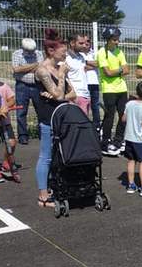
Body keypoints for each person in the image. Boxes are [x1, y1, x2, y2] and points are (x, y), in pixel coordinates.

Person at [34, 30, 76, 208]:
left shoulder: (59, 69)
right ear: (51, 51)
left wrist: (60, 95)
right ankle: (43, 196)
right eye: (63, 51)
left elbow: (72, 94)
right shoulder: (42, 70)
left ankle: (56, 186)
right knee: (46, 156)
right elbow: (59, 94)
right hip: (48, 119)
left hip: (62, 116)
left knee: (60, 154)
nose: (65, 54)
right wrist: (61, 77)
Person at [97, 26, 128, 156]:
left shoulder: (119, 52)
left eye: (117, 39)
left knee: (123, 116)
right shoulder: (101, 53)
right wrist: (119, 70)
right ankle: (105, 142)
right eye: (114, 40)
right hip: (109, 89)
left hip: (122, 88)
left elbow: (127, 70)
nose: (117, 42)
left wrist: (118, 70)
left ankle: (118, 141)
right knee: (109, 116)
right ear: (108, 40)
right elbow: (107, 73)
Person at [11, 37, 44, 145]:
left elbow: (41, 68)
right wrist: (34, 65)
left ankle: (42, 134)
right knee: (21, 111)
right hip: (22, 85)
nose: (31, 52)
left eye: (32, 51)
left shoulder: (38, 53)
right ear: (23, 48)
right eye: (29, 51)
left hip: (36, 84)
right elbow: (16, 69)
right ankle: (23, 136)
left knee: (40, 110)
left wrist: (24, 67)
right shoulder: (17, 54)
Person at [65, 34, 91, 116]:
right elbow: (64, 77)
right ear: (72, 43)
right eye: (81, 43)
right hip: (76, 96)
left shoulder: (81, 57)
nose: (84, 45)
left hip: (85, 95)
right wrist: (73, 94)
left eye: (84, 43)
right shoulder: (66, 58)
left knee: (83, 125)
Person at [81, 36, 102, 131]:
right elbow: (81, 67)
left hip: (95, 83)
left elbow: (99, 63)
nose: (86, 43)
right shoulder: (79, 54)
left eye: (88, 41)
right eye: (84, 42)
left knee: (95, 105)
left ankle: (97, 125)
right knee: (85, 105)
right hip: (84, 83)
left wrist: (86, 63)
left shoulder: (95, 53)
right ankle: (85, 125)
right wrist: (90, 64)